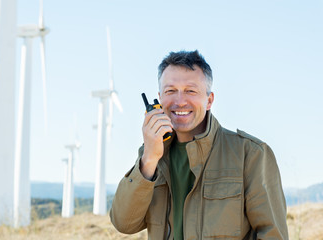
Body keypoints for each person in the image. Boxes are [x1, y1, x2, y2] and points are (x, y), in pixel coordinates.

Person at [110, 50, 288, 239]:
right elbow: (124, 223)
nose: (180, 101)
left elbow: (273, 235)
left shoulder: (250, 154)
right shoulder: (151, 155)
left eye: (190, 91)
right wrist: (149, 159)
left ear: (209, 100)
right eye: (170, 91)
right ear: (159, 98)